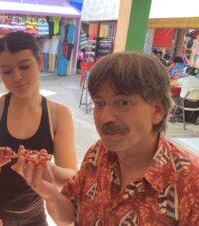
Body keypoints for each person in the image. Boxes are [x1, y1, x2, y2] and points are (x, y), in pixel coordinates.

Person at [12, 52, 199, 225]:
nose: (105, 117)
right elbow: (69, 214)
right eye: (100, 103)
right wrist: (49, 192)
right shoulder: (97, 153)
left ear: (157, 110)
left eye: (123, 102)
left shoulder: (191, 183)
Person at [0, 31, 78, 225]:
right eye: (7, 71)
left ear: (40, 62)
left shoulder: (58, 115)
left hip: (31, 217)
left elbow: (72, 178)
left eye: (24, 66)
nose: (17, 77)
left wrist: (46, 167)